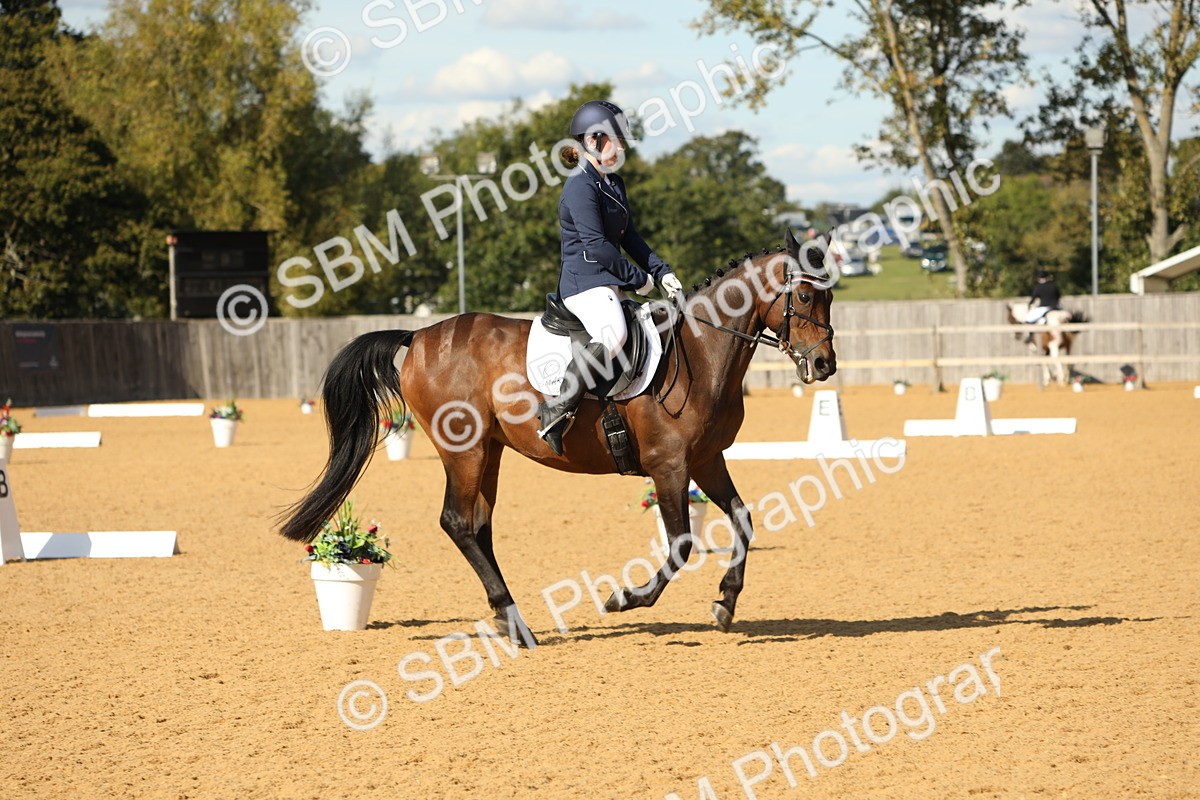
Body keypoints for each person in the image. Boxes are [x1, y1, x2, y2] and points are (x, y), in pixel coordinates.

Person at [536, 100, 684, 456]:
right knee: (614, 333)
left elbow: (630, 238)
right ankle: (556, 410)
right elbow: (598, 247)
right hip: (583, 284)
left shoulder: (613, 184)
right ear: (595, 141)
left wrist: (663, 273)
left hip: (609, 282)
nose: (623, 148)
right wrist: (639, 280)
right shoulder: (579, 186)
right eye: (618, 141)